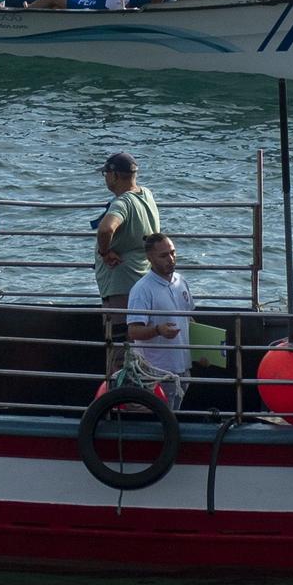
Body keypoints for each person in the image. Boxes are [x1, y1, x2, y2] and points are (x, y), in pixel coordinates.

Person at [92, 152, 159, 363]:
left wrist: (105, 252)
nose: (105, 178)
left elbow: (105, 230)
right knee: (139, 344)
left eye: (106, 173)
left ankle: (121, 391)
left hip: (120, 286)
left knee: (120, 347)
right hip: (142, 280)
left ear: (114, 175)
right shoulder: (146, 195)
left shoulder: (122, 203)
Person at [125, 233, 194, 404]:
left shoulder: (181, 281)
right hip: (157, 371)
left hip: (183, 368)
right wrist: (158, 330)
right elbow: (133, 331)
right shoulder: (142, 289)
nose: (171, 259)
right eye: (164, 255)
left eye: (173, 252)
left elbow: (189, 319)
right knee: (163, 418)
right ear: (149, 258)